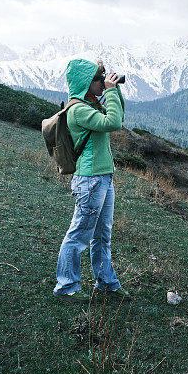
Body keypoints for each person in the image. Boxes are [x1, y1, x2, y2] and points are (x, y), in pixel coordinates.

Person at [53, 59, 130, 303]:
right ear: (86, 82)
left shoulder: (92, 104)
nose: (101, 81)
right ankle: (66, 286)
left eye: (102, 78)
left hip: (103, 178)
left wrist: (113, 90)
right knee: (79, 235)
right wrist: (109, 91)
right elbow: (113, 123)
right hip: (90, 180)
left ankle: (106, 283)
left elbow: (119, 115)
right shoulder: (79, 109)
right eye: (98, 78)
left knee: (102, 235)